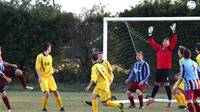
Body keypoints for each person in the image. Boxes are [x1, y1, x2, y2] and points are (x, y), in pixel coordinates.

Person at [146, 23, 177, 108]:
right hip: (159, 69)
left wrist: (174, 31)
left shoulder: (170, 49)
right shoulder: (158, 48)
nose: (165, 42)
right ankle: (151, 98)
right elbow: (152, 42)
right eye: (164, 41)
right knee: (156, 84)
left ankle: (170, 101)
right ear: (162, 42)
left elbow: (174, 40)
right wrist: (150, 34)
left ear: (169, 43)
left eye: (167, 41)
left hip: (166, 69)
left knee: (167, 84)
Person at [0, 46, 34, 112]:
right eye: (0, 50)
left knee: (19, 72)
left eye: (0, 50)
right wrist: (6, 78)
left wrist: (12, 65)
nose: (0, 52)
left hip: (4, 71)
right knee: (3, 93)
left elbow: (3, 63)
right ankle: (9, 109)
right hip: (1, 75)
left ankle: (24, 86)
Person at [35, 42, 64, 112]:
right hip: (43, 77)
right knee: (47, 94)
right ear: (48, 48)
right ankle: (44, 108)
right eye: (50, 47)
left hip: (50, 77)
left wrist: (56, 70)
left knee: (56, 92)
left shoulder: (50, 57)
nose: (51, 48)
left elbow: (50, 68)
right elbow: (37, 68)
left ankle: (61, 108)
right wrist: (39, 77)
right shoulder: (40, 57)